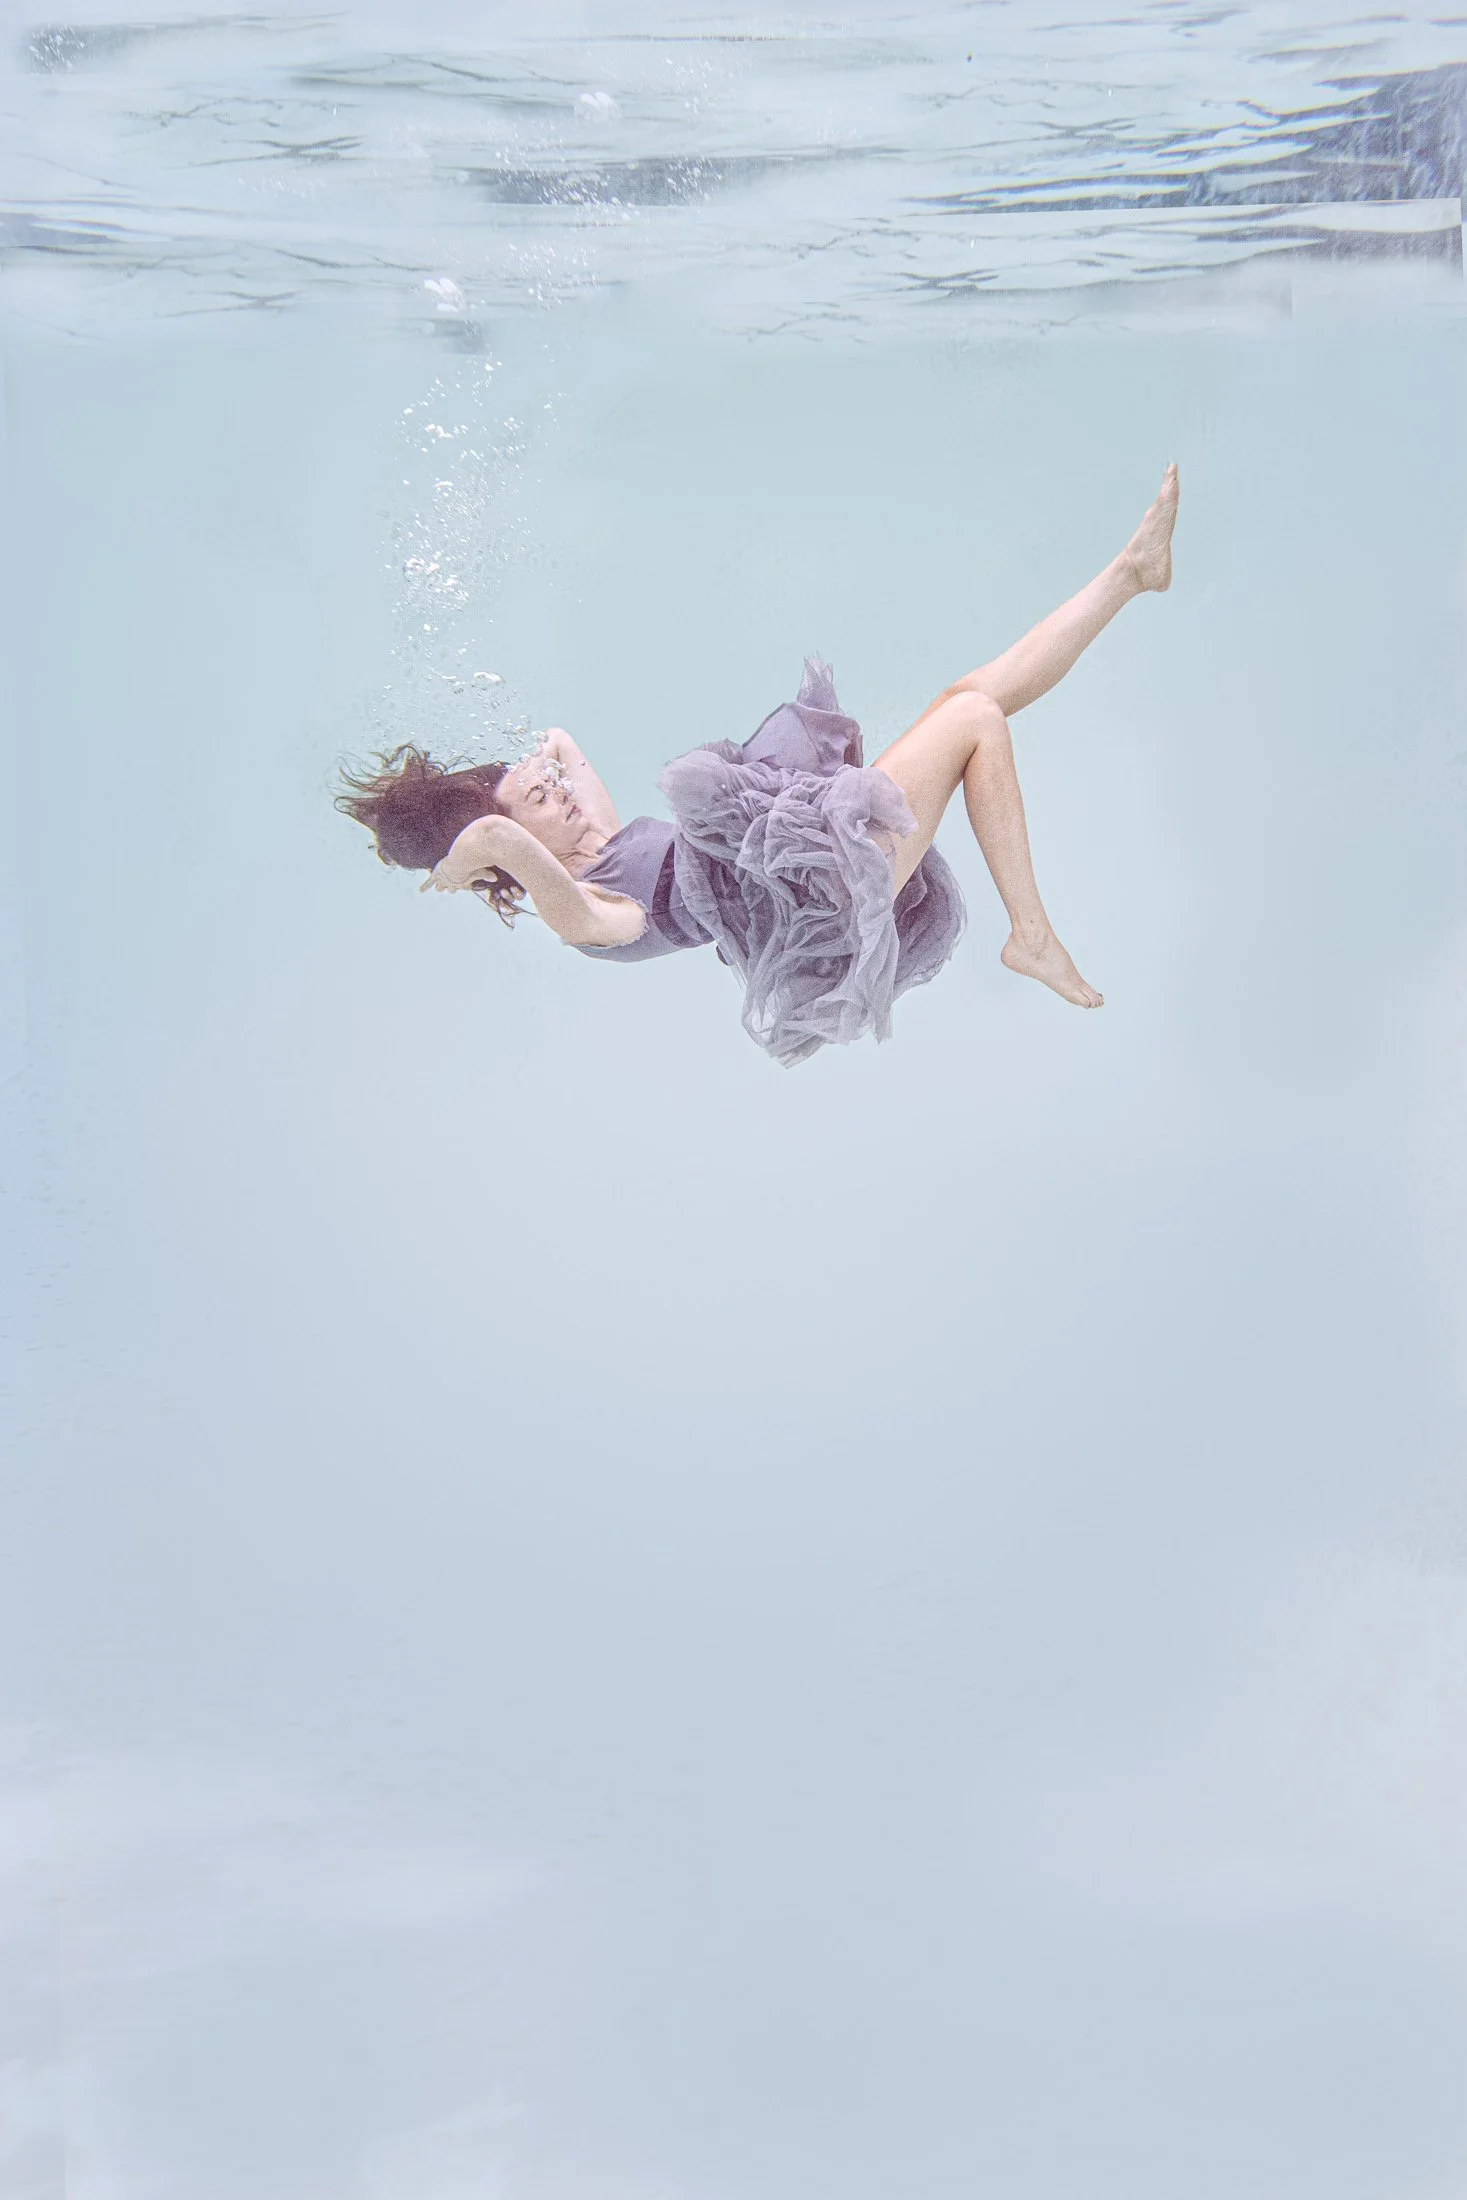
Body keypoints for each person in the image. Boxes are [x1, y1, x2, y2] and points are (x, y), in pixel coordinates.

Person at [337, 465, 1179, 1068]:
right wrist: (463, 855)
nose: (558, 786)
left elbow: (559, 743)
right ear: (511, 848)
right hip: (821, 896)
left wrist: (528, 785)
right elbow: (496, 831)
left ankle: (1127, 576)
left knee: (962, 696)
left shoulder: (596, 836)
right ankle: (1030, 937)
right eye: (541, 801)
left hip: (819, 848)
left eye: (549, 786)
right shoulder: (587, 912)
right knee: (971, 721)